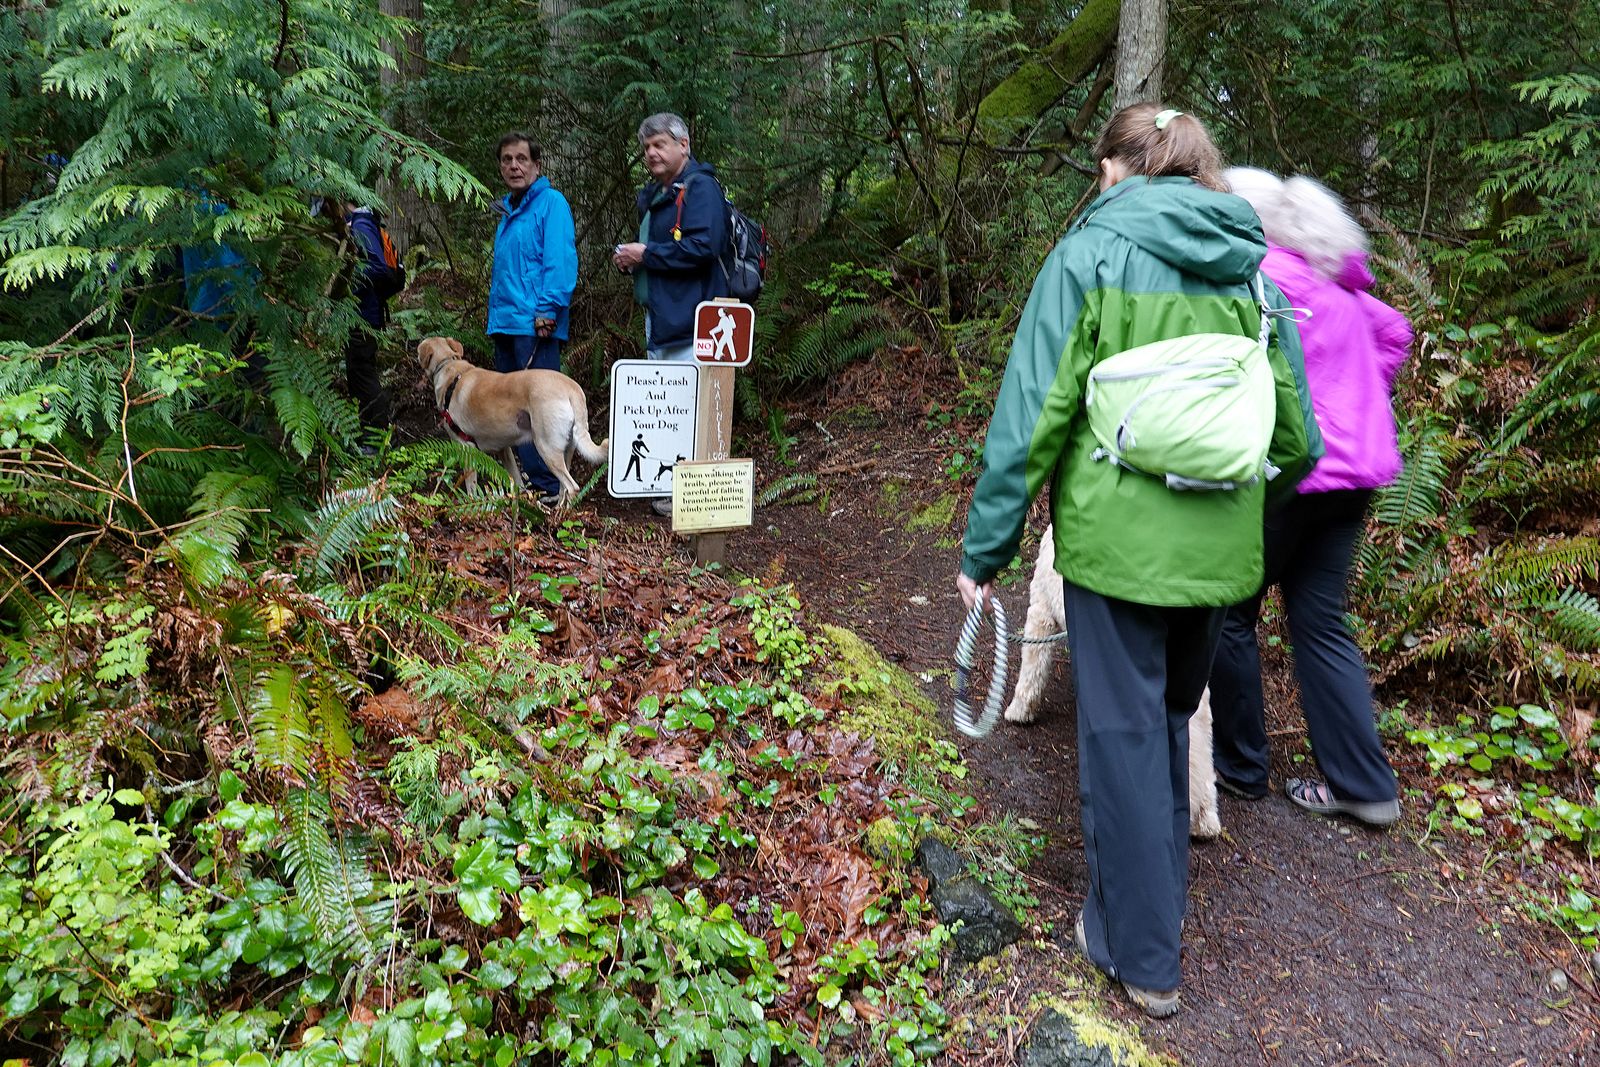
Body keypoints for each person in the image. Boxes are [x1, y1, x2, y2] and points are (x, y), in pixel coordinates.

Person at [955, 104, 1320, 1018]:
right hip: (1218, 557)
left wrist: (987, 548)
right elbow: (1301, 440)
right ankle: (1125, 917)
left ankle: (1142, 954)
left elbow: (1032, 414)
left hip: (1114, 552)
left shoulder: (1087, 257)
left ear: (1123, 169)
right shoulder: (1252, 272)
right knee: (1163, 723)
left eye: (1102, 168)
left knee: (1119, 740)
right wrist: (1237, 515)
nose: (1099, 182)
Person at [1208, 168, 1411, 828]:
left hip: (1296, 473)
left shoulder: (1264, 277)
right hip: (1359, 474)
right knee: (1321, 623)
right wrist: (1358, 395)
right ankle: (1365, 787)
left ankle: (1239, 767)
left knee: (1231, 610)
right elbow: (1396, 333)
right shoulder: (1343, 288)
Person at [612, 112, 729, 517]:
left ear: (684, 145)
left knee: (688, 406)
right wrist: (633, 260)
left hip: (693, 320)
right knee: (668, 408)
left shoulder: (701, 189)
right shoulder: (659, 195)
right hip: (662, 317)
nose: (651, 153)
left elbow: (703, 248)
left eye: (659, 144)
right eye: (646, 147)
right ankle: (670, 490)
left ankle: (692, 499)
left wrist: (647, 254)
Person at [487, 131, 578, 502]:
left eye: (522, 159)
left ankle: (549, 486)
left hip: (535, 324)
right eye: (507, 159)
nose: (514, 166)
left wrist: (547, 309)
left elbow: (559, 260)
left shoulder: (551, 204)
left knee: (540, 413)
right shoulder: (508, 212)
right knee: (511, 415)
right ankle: (529, 487)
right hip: (506, 324)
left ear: (536, 165)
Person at [321, 198, 401, 434]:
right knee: (357, 374)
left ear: (340, 203)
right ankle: (370, 435)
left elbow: (376, 268)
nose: (327, 214)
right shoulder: (356, 224)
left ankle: (377, 437)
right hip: (358, 313)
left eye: (327, 207)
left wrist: (345, 279)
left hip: (364, 315)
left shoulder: (361, 224)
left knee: (363, 374)